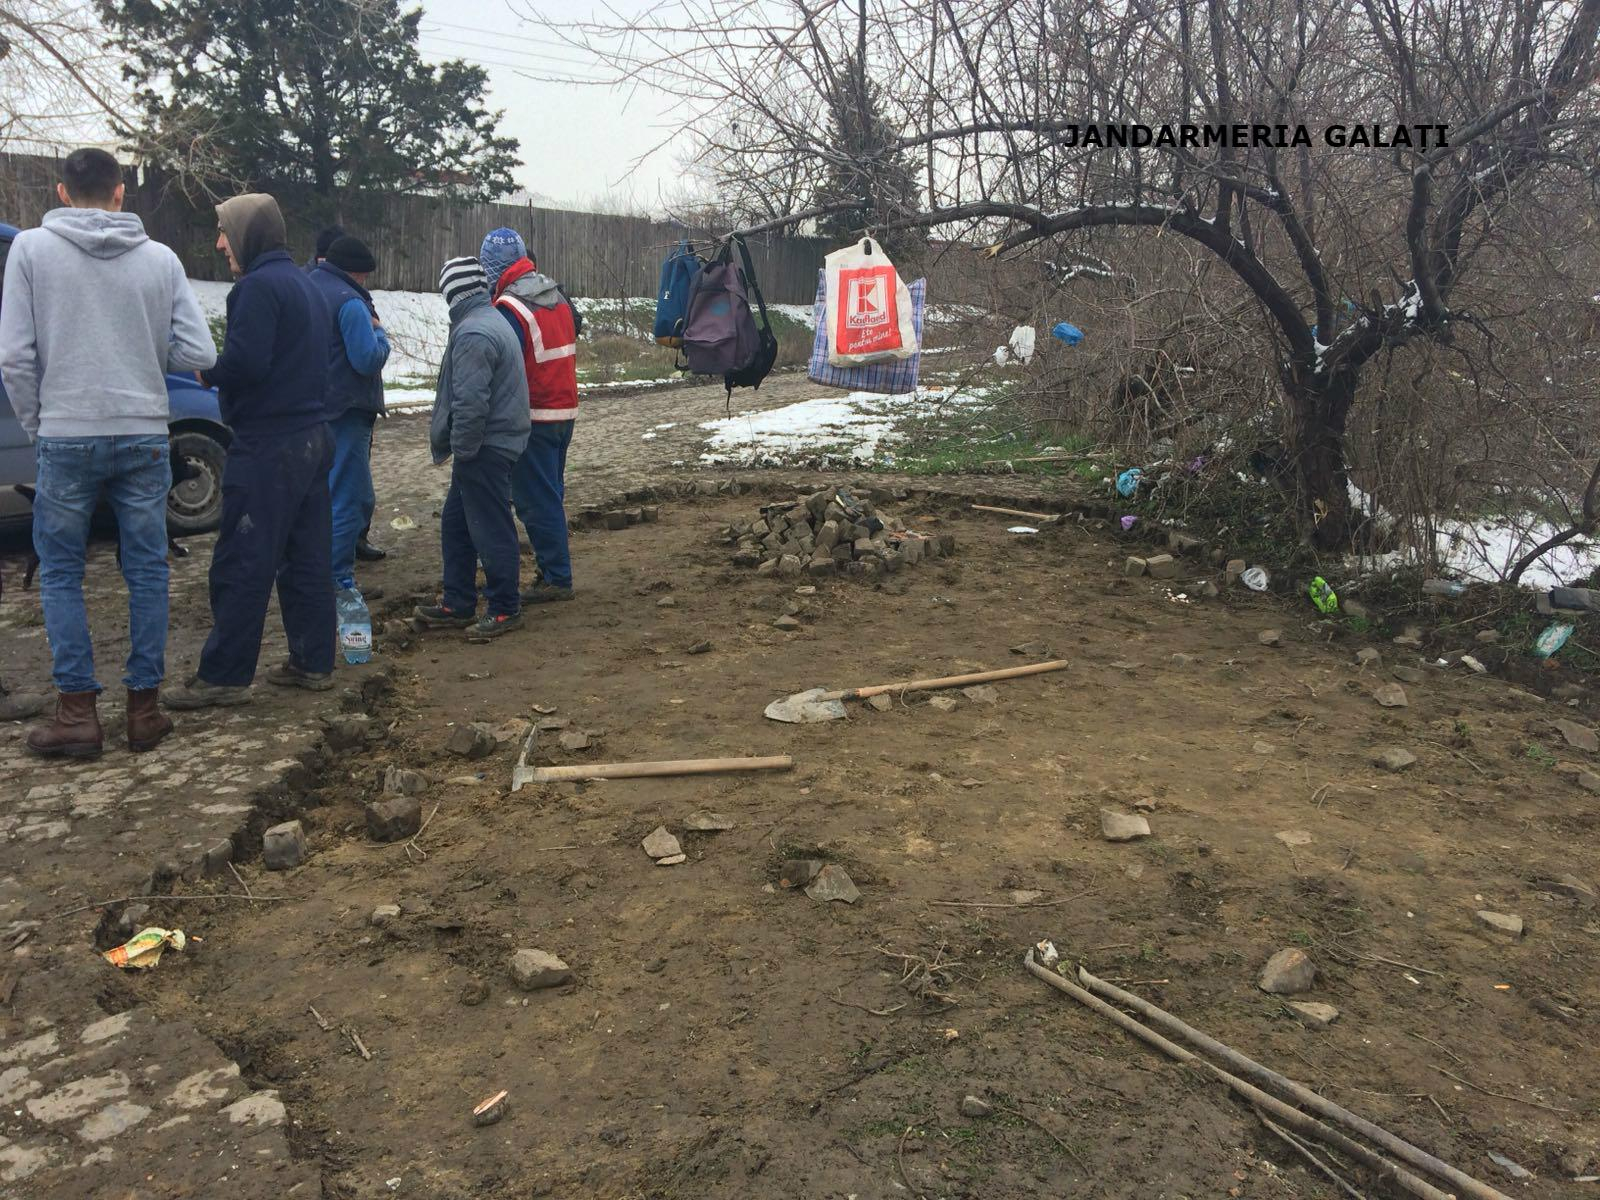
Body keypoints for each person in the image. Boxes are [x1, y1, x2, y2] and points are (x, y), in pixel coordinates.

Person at [0, 147, 216, 757]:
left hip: (66, 432)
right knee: (145, 568)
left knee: (62, 571)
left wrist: (40, 424)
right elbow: (198, 351)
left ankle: (77, 714)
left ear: (63, 193)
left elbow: (14, 356)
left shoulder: (32, 251)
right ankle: (143, 712)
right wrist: (139, 351)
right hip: (144, 431)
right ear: (122, 192)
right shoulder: (161, 260)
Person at [165, 194, 336, 710]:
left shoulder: (257, 288)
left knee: (243, 559)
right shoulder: (304, 285)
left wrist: (208, 372)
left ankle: (223, 675)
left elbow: (247, 363)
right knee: (306, 558)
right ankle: (313, 662)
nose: (220, 243)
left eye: (225, 231)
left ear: (249, 233)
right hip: (312, 436)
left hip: (269, 445)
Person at [413, 257, 529, 640]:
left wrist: (462, 452)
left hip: (485, 447)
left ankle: (503, 608)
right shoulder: (487, 320)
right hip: (493, 442)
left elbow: (471, 403)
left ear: (452, 293)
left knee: (490, 526)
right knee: (457, 523)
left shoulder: (474, 333)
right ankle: (457, 602)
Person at [479, 227, 582, 604]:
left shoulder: (510, 308)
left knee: (536, 499)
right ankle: (555, 571)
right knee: (550, 492)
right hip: (563, 409)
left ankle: (556, 577)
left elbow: (502, 365)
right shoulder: (552, 294)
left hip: (536, 413)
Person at [308, 235, 388, 592]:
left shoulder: (306, 288)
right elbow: (366, 359)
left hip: (312, 409)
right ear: (358, 272)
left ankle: (313, 574)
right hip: (348, 410)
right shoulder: (352, 303)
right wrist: (381, 335)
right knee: (346, 499)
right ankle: (338, 581)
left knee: (322, 495)